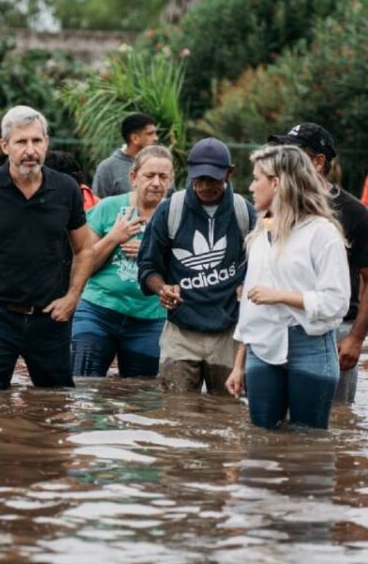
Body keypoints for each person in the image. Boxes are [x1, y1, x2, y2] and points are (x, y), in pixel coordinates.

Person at [0, 105, 97, 389]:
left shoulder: (66, 189)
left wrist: (72, 298)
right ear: (4, 146)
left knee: (55, 402)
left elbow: (84, 249)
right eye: (21, 142)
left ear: (46, 143)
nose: (30, 150)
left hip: (51, 317)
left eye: (37, 141)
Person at [226, 145, 349, 429]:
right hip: (261, 347)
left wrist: (280, 296)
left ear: (277, 183)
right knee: (261, 440)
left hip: (311, 346)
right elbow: (250, 306)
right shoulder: (260, 233)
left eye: (256, 179)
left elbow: (337, 302)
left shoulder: (323, 233)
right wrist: (239, 364)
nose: (251, 187)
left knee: (307, 443)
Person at [137, 137, 256, 395]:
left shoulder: (244, 213)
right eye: (198, 179)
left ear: (229, 173)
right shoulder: (170, 210)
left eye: (212, 179)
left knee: (226, 412)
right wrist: (162, 288)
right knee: (176, 411)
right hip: (180, 334)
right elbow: (147, 266)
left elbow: (261, 265)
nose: (204, 186)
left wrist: (245, 284)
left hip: (228, 333)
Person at [267, 123, 368, 404]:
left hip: (335, 332)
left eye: (292, 153)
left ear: (318, 162)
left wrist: (355, 339)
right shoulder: (275, 204)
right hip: (281, 327)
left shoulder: (354, 213)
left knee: (334, 418)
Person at [72, 145, 174, 378]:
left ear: (170, 181)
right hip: (98, 312)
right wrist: (114, 237)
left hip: (149, 319)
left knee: (140, 393)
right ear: (133, 177)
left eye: (163, 177)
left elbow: (185, 272)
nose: (156, 183)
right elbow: (83, 265)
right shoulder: (108, 208)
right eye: (149, 175)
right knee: (82, 385)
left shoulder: (175, 215)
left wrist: (151, 253)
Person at [91, 113, 158, 198]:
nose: (156, 138)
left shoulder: (160, 164)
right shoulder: (108, 168)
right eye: (150, 134)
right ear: (135, 138)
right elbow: (98, 203)